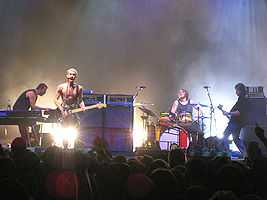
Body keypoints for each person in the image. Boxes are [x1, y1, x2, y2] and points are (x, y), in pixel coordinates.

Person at [221, 83, 248, 156]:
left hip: (235, 123)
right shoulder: (241, 99)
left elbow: (239, 112)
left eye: (237, 90)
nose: (236, 92)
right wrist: (227, 114)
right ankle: (245, 154)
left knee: (225, 135)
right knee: (236, 139)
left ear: (241, 90)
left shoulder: (242, 100)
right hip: (236, 122)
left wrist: (228, 113)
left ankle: (228, 153)